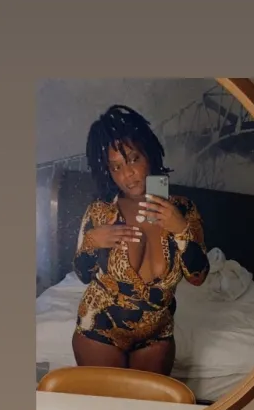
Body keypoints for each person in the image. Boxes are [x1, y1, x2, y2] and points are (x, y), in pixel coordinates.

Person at [72, 104, 209, 376]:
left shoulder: (183, 209)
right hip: (100, 330)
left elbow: (198, 277)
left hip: (156, 335)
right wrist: (91, 241)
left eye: (134, 159)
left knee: (148, 404)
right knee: (105, 403)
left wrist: (181, 230)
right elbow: (83, 274)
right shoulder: (100, 212)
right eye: (116, 167)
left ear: (149, 154)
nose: (128, 174)